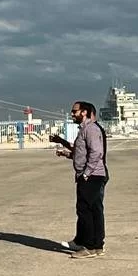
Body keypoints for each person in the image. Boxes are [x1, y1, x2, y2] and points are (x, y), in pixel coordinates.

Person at [52, 101, 108, 259]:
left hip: (91, 176)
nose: (72, 114)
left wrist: (86, 174)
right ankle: (96, 245)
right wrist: (66, 153)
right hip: (91, 175)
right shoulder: (85, 129)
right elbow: (82, 153)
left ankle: (89, 247)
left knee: (85, 211)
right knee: (94, 210)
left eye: (74, 111)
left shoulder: (90, 129)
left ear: (84, 112)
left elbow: (96, 153)